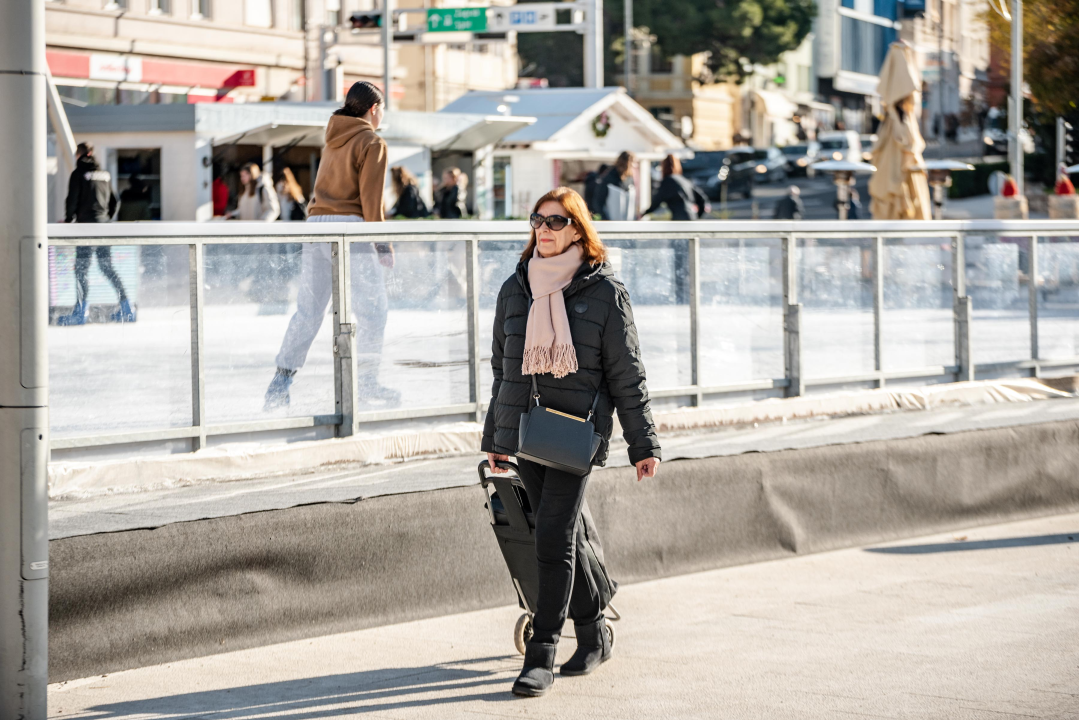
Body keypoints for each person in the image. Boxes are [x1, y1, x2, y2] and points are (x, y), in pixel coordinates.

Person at [483, 186, 662, 697]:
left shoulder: (604, 293)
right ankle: (593, 632)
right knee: (559, 535)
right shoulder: (515, 289)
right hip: (525, 430)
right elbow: (503, 371)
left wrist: (642, 444)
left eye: (556, 221)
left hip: (575, 432)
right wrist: (495, 437)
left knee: (553, 537)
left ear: (579, 229)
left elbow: (628, 373)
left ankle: (541, 655)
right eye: (538, 219)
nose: (544, 228)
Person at [264, 81, 398, 410]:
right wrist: (382, 244)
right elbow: (371, 200)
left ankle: (281, 380)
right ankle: (366, 382)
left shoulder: (333, 140)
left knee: (309, 311)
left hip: (316, 227)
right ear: (374, 110)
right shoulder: (371, 141)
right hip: (350, 229)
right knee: (373, 310)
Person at [58, 141, 136, 325]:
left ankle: (80, 312)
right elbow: (115, 202)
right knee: (107, 267)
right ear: (92, 153)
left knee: (81, 270)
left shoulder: (78, 174)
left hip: (85, 227)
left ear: (79, 154)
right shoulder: (105, 175)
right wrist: (105, 218)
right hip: (103, 227)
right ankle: (127, 308)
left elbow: (72, 200)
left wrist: (69, 221)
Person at [643, 154, 709, 220]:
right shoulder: (683, 180)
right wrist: (697, 215)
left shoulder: (668, 181)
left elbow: (657, 200)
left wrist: (644, 213)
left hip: (680, 218)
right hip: (692, 217)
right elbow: (702, 198)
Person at [592, 151, 637, 220]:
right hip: (612, 223)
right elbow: (598, 201)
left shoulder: (629, 179)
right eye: (633, 162)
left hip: (627, 224)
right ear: (627, 162)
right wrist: (606, 219)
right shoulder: (609, 178)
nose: (635, 165)